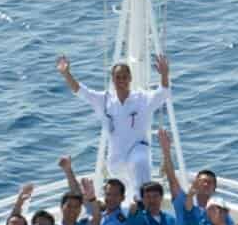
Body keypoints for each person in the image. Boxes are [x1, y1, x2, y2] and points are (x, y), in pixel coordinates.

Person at [56, 54, 170, 197]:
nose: (121, 80)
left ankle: (143, 204)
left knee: (140, 163)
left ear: (130, 78)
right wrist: (66, 74)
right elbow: (80, 91)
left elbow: (163, 93)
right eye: (118, 77)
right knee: (120, 192)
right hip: (116, 157)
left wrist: (164, 74)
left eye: (124, 77)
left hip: (138, 148)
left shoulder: (142, 99)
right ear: (112, 79)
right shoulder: (104, 100)